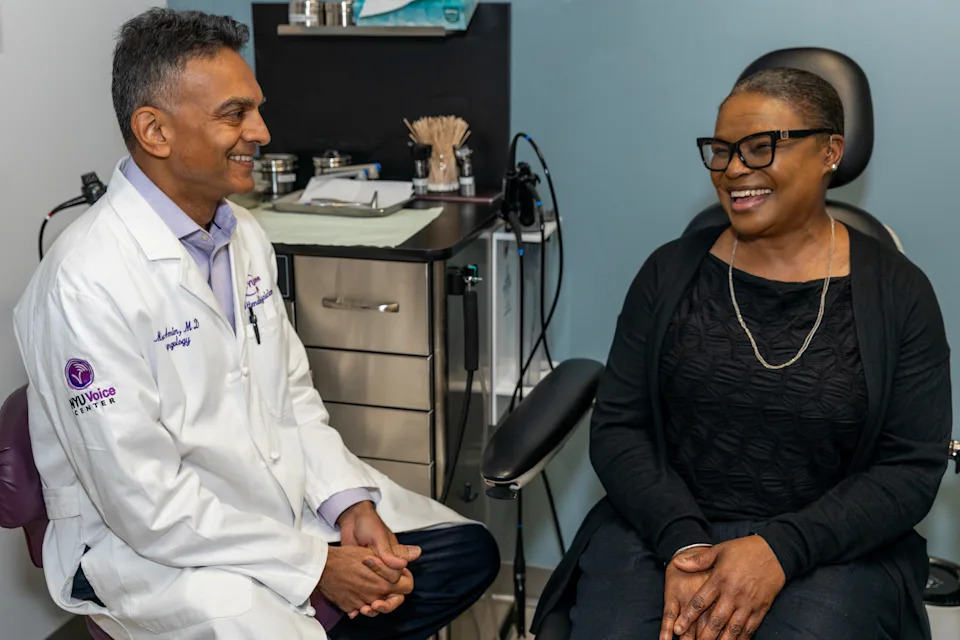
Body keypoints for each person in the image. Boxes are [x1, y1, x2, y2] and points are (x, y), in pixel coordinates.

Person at [14, 9, 498, 639]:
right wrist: (316, 566)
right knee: (271, 626)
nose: (262, 131)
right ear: (154, 130)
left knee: (463, 552)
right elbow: (145, 505)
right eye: (234, 114)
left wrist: (345, 501)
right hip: (154, 550)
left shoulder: (242, 235)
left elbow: (291, 397)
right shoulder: (84, 281)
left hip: (266, 503)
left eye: (256, 109)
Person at [557, 68, 951, 639]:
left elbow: (910, 469)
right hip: (663, 529)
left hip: (830, 547)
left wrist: (781, 549)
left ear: (829, 152)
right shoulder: (669, 273)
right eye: (721, 151)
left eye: (761, 147)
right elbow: (619, 428)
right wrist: (685, 543)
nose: (735, 169)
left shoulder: (899, 293)